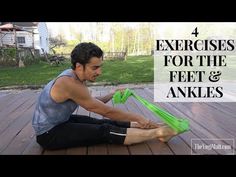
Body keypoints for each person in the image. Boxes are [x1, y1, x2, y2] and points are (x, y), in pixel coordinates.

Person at [32, 42, 177, 150]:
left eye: (100, 67)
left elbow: (91, 101)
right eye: (94, 67)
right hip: (49, 134)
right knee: (105, 131)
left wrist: (112, 94)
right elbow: (106, 111)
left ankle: (155, 125)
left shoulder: (75, 77)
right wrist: (138, 117)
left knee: (100, 123)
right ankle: (160, 132)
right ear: (78, 66)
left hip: (61, 122)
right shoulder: (69, 83)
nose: (99, 72)